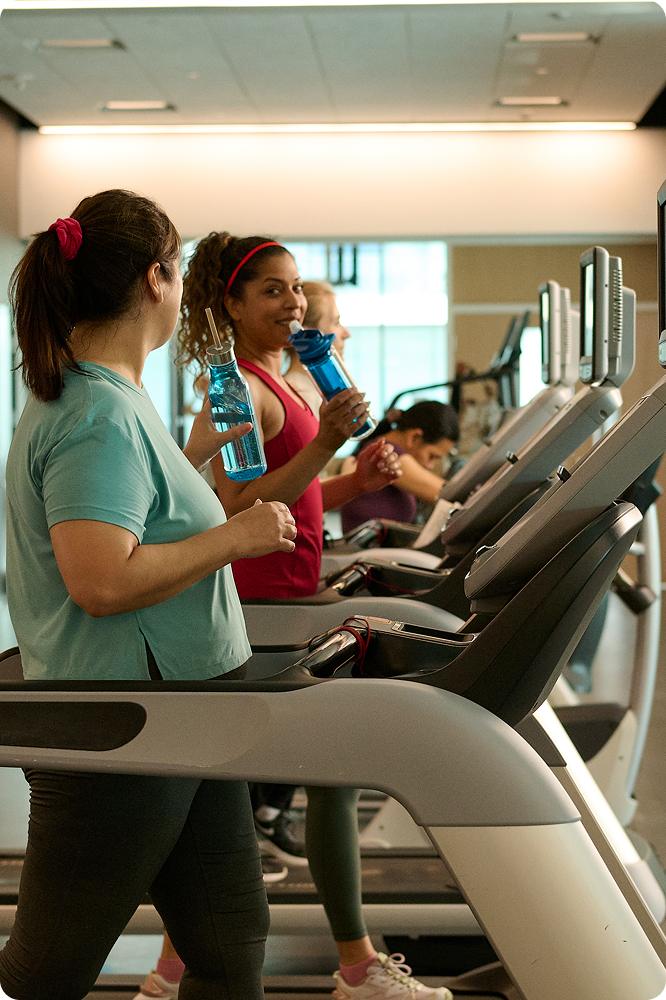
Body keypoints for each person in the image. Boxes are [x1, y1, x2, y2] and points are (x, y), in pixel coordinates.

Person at [0, 190, 298, 1000]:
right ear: (156, 278)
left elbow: (141, 525)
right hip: (132, 723)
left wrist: (192, 456)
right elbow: (100, 581)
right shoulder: (97, 409)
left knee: (230, 950)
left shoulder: (114, 394)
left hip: (191, 710)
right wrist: (236, 537)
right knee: (44, 976)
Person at [150, 233, 451, 1000]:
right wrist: (330, 443)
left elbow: (297, 495)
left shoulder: (282, 380)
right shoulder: (228, 381)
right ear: (233, 304)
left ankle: (177, 969)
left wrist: (352, 479)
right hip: (256, 608)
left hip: (292, 595)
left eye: (293, 289)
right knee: (325, 775)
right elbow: (232, 505)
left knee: (297, 783)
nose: (291, 303)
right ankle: (353, 968)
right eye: (272, 292)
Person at [340, 401, 459, 534]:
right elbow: (449, 495)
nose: (430, 465)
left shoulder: (377, 446)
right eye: (431, 456)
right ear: (415, 437)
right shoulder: (388, 454)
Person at [283, 279, 351, 418]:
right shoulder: (301, 394)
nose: (347, 333)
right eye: (336, 322)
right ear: (307, 334)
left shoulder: (314, 391)